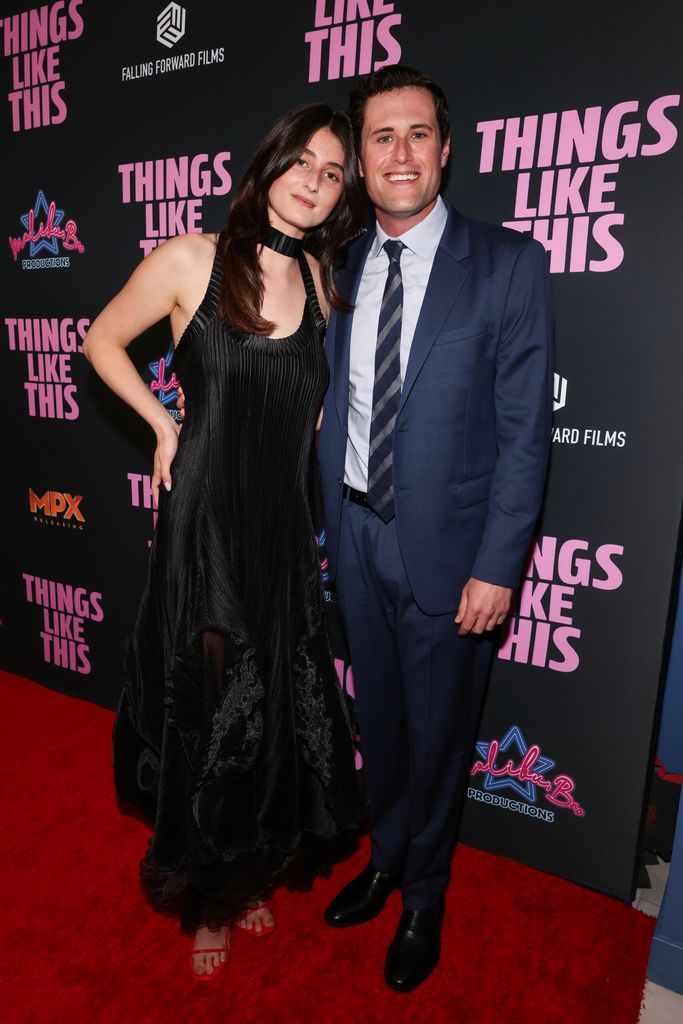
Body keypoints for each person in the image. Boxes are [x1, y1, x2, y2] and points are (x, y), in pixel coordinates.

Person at [82, 103, 365, 980]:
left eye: (332, 173)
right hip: (204, 518)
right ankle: (205, 894)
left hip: (281, 529)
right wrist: (164, 427)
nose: (315, 182)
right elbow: (101, 340)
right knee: (211, 706)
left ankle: (248, 874)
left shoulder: (321, 282)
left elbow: (311, 415)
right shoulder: (189, 258)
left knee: (272, 708)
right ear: (269, 164)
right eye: (303, 163)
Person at [317, 66, 554, 992]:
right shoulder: (335, 268)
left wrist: (499, 564)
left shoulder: (506, 264)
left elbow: (524, 432)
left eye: (417, 134)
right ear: (360, 159)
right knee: (378, 717)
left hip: (452, 556)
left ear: (445, 150)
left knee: (440, 733)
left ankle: (424, 890)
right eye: (381, 137)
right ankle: (383, 856)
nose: (400, 153)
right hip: (353, 532)